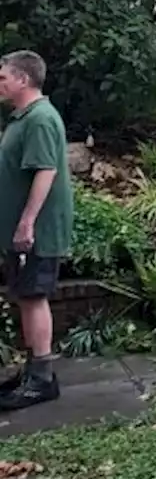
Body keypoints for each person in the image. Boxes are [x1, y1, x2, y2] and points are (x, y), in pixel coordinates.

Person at [0, 51, 74, 409]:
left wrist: (27, 222)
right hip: (22, 230)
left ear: (23, 80)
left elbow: (46, 171)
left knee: (34, 296)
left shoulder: (40, 119)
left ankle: (42, 378)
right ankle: (33, 371)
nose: (0, 83)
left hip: (36, 231)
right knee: (26, 296)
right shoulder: (23, 117)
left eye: (3, 78)